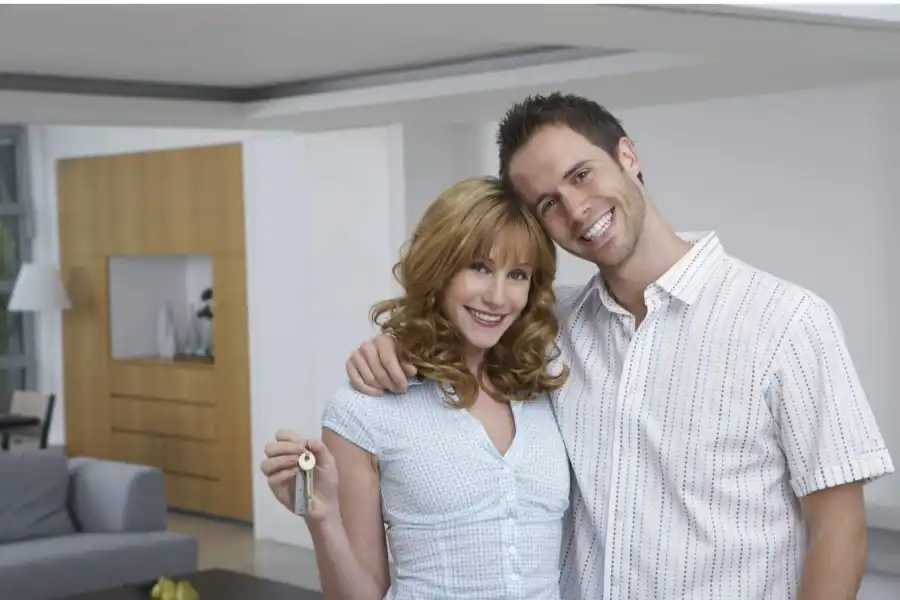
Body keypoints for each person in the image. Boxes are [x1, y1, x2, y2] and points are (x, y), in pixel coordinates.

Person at [344, 93, 895, 600]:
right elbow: (466, 314)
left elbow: (838, 529)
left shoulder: (786, 321)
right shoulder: (550, 328)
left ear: (628, 155)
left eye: (581, 175)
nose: (576, 209)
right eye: (548, 204)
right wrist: (394, 344)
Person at [261, 176, 573, 599]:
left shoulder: (547, 389)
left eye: (516, 274)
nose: (498, 297)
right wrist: (323, 518)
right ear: (439, 269)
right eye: (479, 267)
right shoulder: (364, 409)